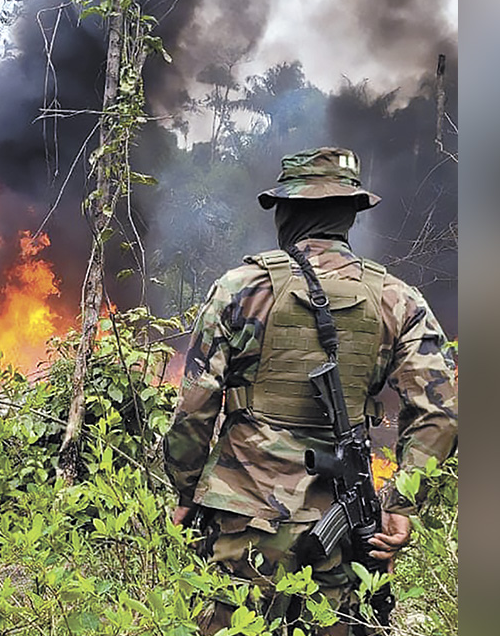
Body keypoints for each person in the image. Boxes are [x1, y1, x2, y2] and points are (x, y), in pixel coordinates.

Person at [164, 147, 458, 635]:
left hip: (244, 518)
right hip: (342, 527)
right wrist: (403, 503)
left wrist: (185, 489)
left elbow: (195, 403)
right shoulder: (397, 299)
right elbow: (442, 412)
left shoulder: (240, 287)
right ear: (349, 215)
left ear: (287, 213)